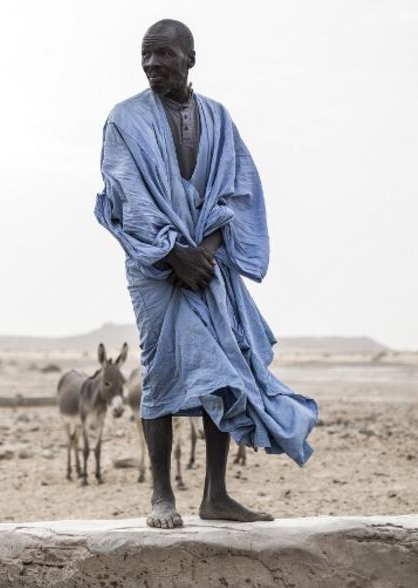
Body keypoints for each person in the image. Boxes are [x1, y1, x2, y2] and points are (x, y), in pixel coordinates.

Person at [95, 19, 318, 529]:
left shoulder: (219, 118)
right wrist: (174, 255)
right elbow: (127, 197)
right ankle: (160, 496)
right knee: (161, 371)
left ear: (190, 58)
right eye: (145, 56)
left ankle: (215, 495)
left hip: (209, 264)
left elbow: (237, 192)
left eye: (164, 55)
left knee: (223, 367)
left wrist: (207, 252)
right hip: (156, 270)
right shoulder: (124, 120)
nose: (153, 64)